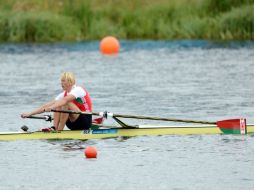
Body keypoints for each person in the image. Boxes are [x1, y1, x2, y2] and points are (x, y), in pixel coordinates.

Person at [21, 72, 92, 131]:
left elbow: (64, 101)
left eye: (63, 81)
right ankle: (54, 128)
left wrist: (51, 108)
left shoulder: (78, 90)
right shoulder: (63, 94)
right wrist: (30, 113)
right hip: (72, 124)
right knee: (58, 103)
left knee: (64, 103)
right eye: (61, 81)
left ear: (70, 82)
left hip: (85, 122)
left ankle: (59, 130)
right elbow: (46, 106)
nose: (61, 83)